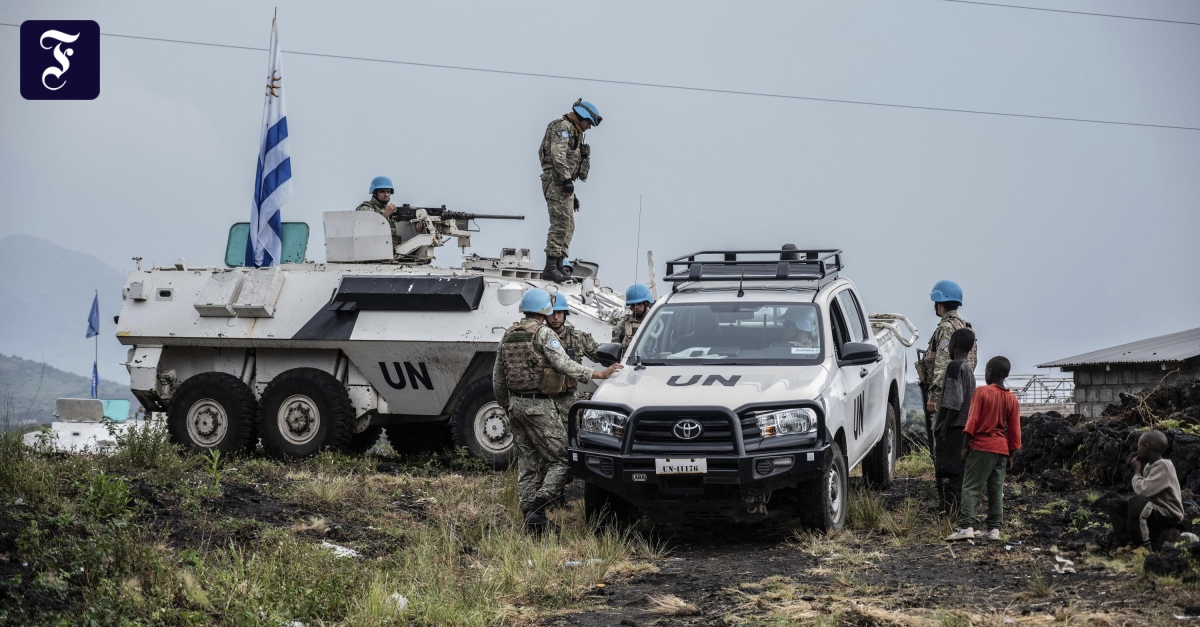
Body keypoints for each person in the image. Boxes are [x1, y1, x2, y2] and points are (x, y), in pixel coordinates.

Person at [493, 288, 622, 532]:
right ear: (545, 309)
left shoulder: (509, 334)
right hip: (539, 405)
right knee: (562, 458)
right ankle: (538, 510)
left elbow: (497, 376)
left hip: (515, 405)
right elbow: (563, 364)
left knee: (528, 462)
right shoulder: (543, 334)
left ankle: (531, 521)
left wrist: (506, 403)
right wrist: (598, 374)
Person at [947, 356, 1021, 541]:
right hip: (1001, 450)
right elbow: (1014, 430)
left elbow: (972, 421)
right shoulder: (1011, 398)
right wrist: (1011, 454)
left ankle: (966, 527)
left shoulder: (982, 392)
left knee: (971, 487)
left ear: (989, 372)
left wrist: (965, 446)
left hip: (981, 447)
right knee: (996, 489)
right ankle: (994, 529)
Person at [538, 99, 601, 283]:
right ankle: (550, 267)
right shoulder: (562, 127)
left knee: (568, 225)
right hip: (556, 180)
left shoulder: (575, 134)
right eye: (588, 122)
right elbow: (558, 155)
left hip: (563, 182)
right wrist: (566, 179)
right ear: (581, 117)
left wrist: (571, 189)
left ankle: (558, 263)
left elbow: (580, 173)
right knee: (560, 224)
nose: (588, 127)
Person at [917, 280, 978, 461]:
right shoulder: (964, 325)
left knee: (941, 437)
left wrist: (934, 396)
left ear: (940, 304)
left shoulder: (946, 327)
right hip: (964, 391)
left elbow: (942, 363)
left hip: (946, 393)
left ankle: (943, 476)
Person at [1106, 430, 1184, 549]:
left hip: (1169, 513)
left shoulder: (1164, 465)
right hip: (1153, 508)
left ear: (1146, 447)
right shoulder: (1149, 465)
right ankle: (1128, 544)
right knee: (1114, 505)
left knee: (1136, 501)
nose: (1137, 450)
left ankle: (1143, 547)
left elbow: (1143, 491)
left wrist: (1137, 472)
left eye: (1138, 446)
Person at [934, 328, 976, 515]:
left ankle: (949, 509)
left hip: (953, 428)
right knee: (958, 471)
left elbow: (953, 401)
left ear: (954, 345)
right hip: (964, 429)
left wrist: (943, 427)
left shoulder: (954, 366)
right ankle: (956, 508)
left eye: (949, 343)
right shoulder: (968, 368)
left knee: (946, 470)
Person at [356, 176, 401, 252]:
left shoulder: (392, 210)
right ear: (374, 193)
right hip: (371, 251)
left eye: (388, 192)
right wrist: (386, 214)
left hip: (392, 252)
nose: (386, 195)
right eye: (382, 191)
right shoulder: (366, 209)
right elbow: (368, 230)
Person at [613, 284, 653, 355]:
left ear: (646, 303)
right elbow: (614, 348)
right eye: (633, 305)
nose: (636, 307)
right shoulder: (623, 324)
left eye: (639, 304)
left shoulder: (657, 321)